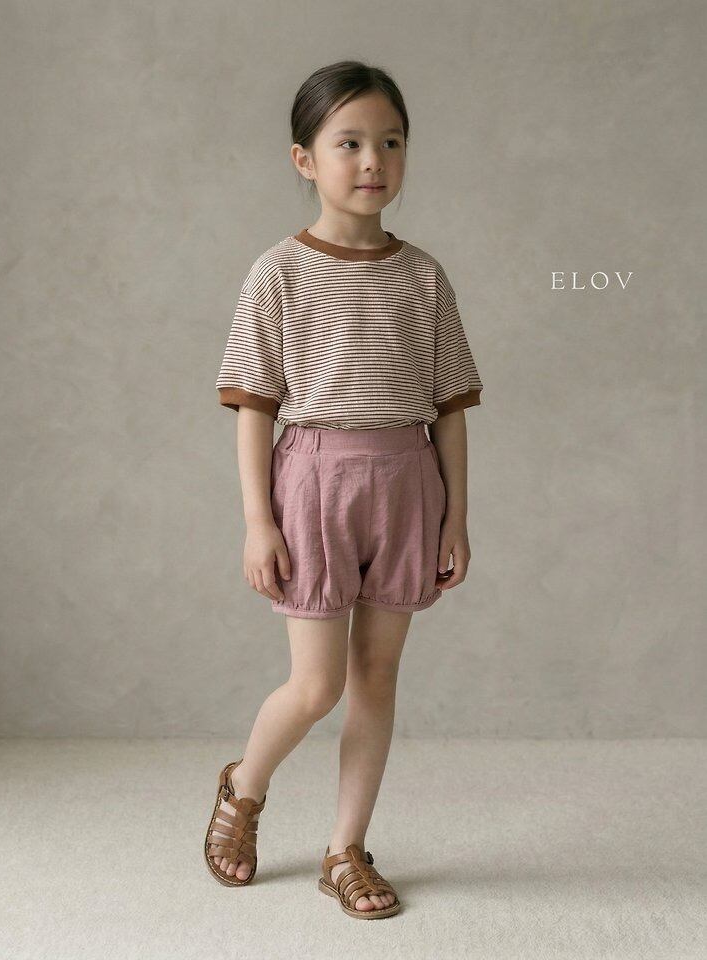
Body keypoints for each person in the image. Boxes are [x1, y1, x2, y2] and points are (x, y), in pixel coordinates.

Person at [203, 60, 483, 920]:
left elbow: (449, 409)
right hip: (313, 484)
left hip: (407, 484)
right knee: (316, 685)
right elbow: (254, 408)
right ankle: (244, 787)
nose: (373, 161)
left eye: (391, 143)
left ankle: (345, 849)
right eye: (350, 143)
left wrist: (455, 517)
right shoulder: (277, 273)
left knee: (376, 677)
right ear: (304, 159)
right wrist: (258, 521)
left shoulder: (423, 276)